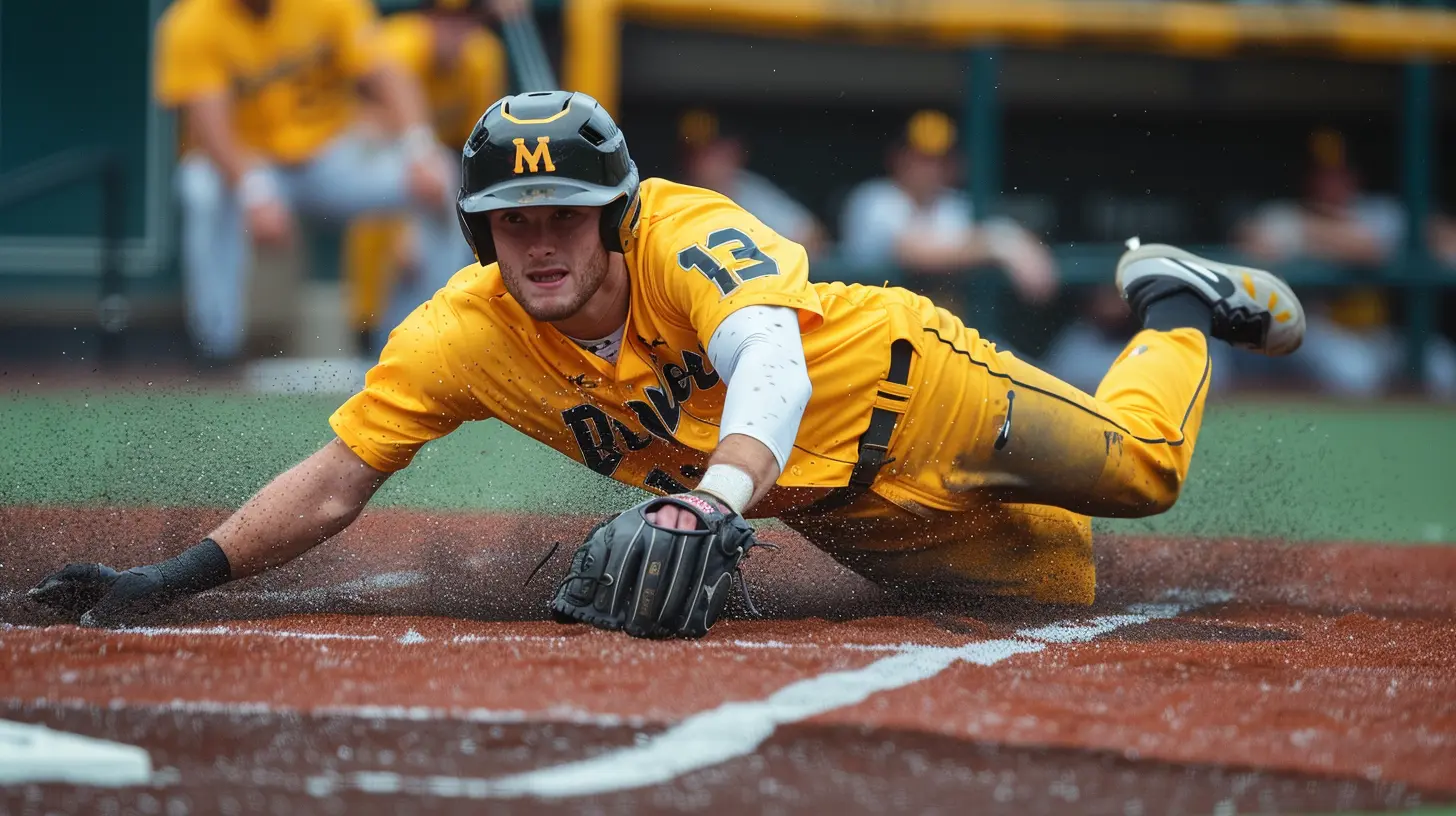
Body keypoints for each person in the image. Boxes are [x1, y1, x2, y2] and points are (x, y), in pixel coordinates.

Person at [29, 92, 1306, 639]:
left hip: (923, 391)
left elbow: (769, 366)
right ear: (482, 233)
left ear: (612, 217)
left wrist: (713, 494)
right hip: (837, 507)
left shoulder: (690, 232)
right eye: (513, 222)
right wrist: (176, 573)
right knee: (1052, 604)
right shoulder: (458, 334)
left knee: (1141, 475)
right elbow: (339, 476)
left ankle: (1173, 303)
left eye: (565, 214)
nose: (539, 240)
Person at [156, 0, 463, 363]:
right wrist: (254, 191)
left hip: (331, 154)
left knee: (441, 174)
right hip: (250, 164)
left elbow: (386, 73)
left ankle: (418, 347)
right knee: (201, 188)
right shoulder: (191, 21)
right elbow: (208, 124)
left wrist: (418, 147)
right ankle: (216, 348)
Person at [342, 0, 519, 356]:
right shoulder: (400, 42)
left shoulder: (483, 55)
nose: (455, 32)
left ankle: (431, 330)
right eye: (445, 20)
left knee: (449, 199)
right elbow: (369, 124)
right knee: (384, 219)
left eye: (465, 20)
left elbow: (478, 141)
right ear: (428, 17)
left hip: (435, 165)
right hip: (369, 153)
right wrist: (402, 229)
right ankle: (366, 324)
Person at [1234, 128, 1455, 398]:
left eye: (1340, 174)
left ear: (1355, 176)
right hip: (1318, 330)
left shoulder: (1378, 211)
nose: (1332, 183)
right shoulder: (1285, 215)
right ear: (1308, 179)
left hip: (1377, 334)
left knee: (1441, 365)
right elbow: (1251, 243)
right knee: (1353, 372)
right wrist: (1334, 237)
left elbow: (1444, 238)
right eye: (1323, 175)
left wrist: (1321, 239)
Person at [838, 109, 1059, 313]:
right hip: (872, 329)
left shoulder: (952, 204)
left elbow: (980, 237)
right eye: (922, 158)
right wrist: (1001, 244)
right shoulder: (874, 199)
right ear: (898, 158)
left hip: (935, 332)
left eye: (940, 160)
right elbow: (918, 254)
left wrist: (1011, 239)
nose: (931, 169)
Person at [677, 108, 829, 260]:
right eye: (696, 153)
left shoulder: (749, 190)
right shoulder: (673, 197)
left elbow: (811, 237)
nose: (703, 161)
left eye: (712, 152)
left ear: (734, 152)